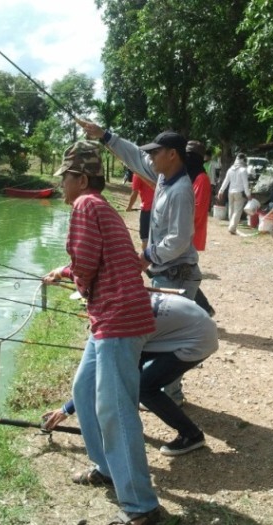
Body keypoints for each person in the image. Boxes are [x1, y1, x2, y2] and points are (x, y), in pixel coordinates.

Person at [42, 141, 161, 525]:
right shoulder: (103, 209)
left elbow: (86, 265)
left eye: (65, 179)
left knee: (117, 412)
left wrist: (76, 277)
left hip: (117, 321)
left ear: (80, 178)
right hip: (114, 319)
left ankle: (142, 509)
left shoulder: (84, 205)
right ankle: (107, 468)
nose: (62, 186)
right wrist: (65, 272)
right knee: (83, 389)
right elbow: (96, 257)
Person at [77, 120, 200, 407]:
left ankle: (171, 398)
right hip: (165, 272)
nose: (151, 157)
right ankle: (163, 392)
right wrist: (105, 136)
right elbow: (134, 156)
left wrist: (145, 257)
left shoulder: (181, 190)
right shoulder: (162, 177)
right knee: (161, 336)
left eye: (156, 152)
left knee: (169, 339)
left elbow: (179, 240)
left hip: (177, 274)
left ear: (172, 154)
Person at [43, 291, 218, 456]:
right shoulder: (126, 296)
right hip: (193, 325)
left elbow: (109, 372)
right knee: (135, 371)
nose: (88, 307)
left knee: (145, 388)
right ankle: (130, 418)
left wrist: (67, 409)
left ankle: (192, 436)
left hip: (197, 340)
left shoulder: (124, 322)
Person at [186, 140, 215, 317]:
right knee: (182, 274)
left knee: (185, 274)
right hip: (183, 233)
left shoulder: (202, 179)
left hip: (190, 233)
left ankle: (204, 308)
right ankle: (203, 309)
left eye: (190, 156)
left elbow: (197, 209)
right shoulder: (189, 176)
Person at [218, 153, 251, 234]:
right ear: (243, 160)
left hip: (230, 192)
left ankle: (231, 225)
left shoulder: (230, 169)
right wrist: (248, 195)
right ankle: (232, 228)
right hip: (239, 192)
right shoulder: (243, 170)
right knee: (237, 211)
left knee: (231, 210)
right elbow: (245, 184)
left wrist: (221, 191)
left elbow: (226, 181)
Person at [127, 172, 155, 250]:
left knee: (145, 239)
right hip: (160, 209)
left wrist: (129, 207)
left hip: (147, 211)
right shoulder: (155, 170)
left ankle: (146, 260)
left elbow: (134, 193)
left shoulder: (138, 173)